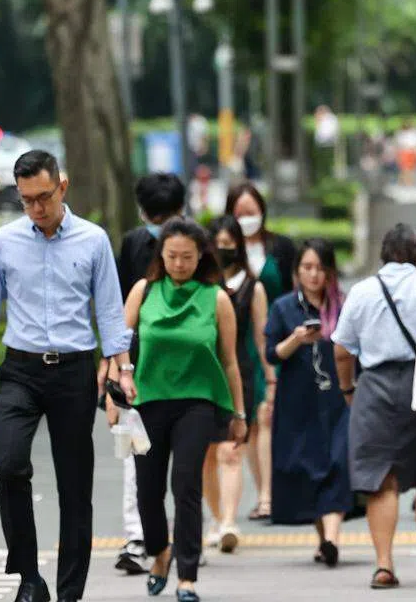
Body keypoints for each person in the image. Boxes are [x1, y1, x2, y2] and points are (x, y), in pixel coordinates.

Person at [0, 150, 137, 602]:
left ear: (63, 186)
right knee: (11, 467)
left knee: (74, 485)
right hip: (20, 369)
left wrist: (123, 369)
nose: (36, 208)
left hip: (75, 371)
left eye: (43, 196)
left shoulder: (93, 240)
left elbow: (110, 312)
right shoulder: (5, 242)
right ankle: (28, 578)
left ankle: (69, 592)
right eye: (26, 200)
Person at [333, 224, 416, 590]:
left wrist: (348, 390)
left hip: (374, 387)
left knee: (381, 480)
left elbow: (343, 349)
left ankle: (384, 566)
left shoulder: (361, 291)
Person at [124, 218, 246, 602]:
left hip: (197, 403)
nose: (179, 264)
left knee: (187, 484)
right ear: (161, 255)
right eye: (172, 256)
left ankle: (187, 576)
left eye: (188, 257)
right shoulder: (144, 291)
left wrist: (238, 414)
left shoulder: (216, 298)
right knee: (147, 491)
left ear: (201, 256)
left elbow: (229, 361)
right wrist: (112, 396)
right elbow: (117, 350)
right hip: (147, 403)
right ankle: (160, 552)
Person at [111, 172, 187, 575]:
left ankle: (186, 535)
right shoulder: (133, 244)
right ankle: (136, 537)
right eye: (153, 216)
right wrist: (112, 370)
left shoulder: (194, 247)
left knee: (185, 463)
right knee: (133, 453)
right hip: (137, 369)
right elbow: (119, 311)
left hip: (186, 370)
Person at [265, 238, 355, 566]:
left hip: (338, 400)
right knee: (308, 469)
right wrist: (296, 340)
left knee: (337, 464)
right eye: (307, 268)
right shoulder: (284, 307)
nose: (314, 275)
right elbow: (271, 354)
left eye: (320, 268)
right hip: (297, 402)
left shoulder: (344, 305)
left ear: (330, 272)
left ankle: (331, 539)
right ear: (297, 271)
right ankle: (324, 540)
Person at [224, 182, 297, 520]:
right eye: (239, 213)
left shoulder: (280, 248)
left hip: (277, 340)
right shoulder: (223, 252)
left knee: (271, 417)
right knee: (254, 421)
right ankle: (265, 494)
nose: (246, 219)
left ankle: (274, 492)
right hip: (240, 345)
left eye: (251, 212)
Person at [201, 215, 272, 553]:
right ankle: (215, 518)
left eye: (230, 246)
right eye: (218, 246)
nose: (223, 251)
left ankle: (229, 520)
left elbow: (262, 341)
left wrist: (269, 382)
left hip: (238, 374)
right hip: (201, 375)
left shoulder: (252, 287)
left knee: (231, 450)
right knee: (206, 454)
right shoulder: (200, 287)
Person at [395, 120, 416, 186]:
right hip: (404, 152)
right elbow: (399, 144)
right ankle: (404, 182)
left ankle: (410, 182)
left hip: (413, 152)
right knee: (405, 169)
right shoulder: (400, 133)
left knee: (412, 169)